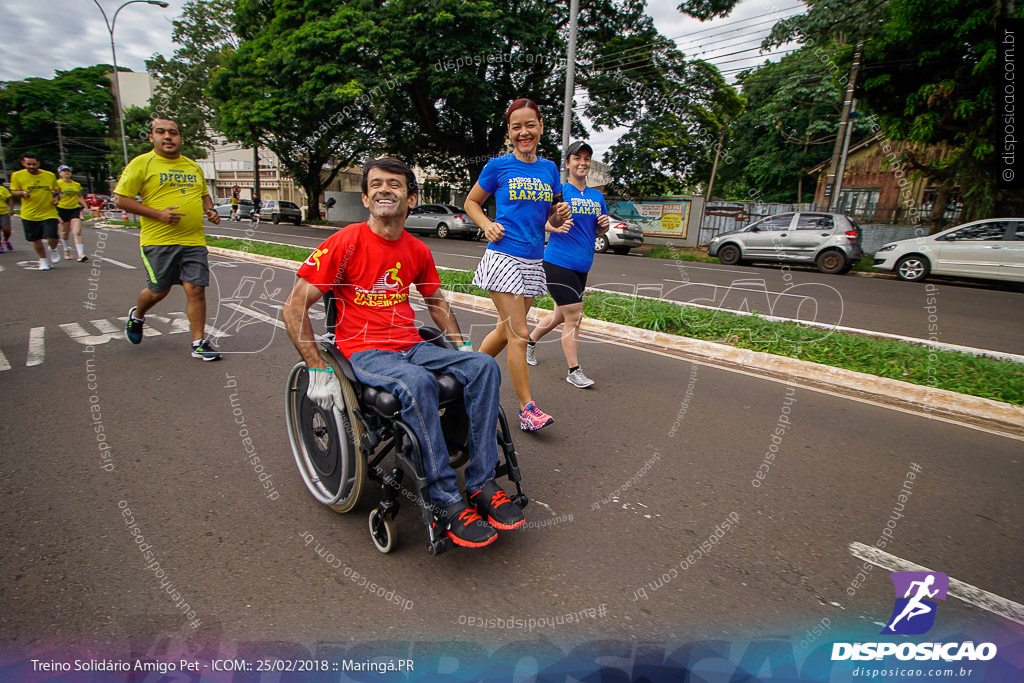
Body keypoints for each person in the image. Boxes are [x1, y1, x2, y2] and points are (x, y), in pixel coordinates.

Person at [283, 157, 525, 549]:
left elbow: (436, 302)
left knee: (482, 366)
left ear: (411, 199)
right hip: (364, 352)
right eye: (376, 184)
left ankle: (481, 483)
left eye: (394, 185)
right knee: (415, 384)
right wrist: (316, 369)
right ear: (364, 197)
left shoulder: (415, 250)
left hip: (411, 345)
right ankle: (445, 499)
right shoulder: (344, 243)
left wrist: (460, 347)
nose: (384, 190)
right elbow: (294, 306)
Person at [463, 98, 571, 431]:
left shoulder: (550, 169)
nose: (524, 132)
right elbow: (471, 202)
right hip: (503, 256)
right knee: (520, 334)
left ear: (540, 127)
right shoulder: (498, 166)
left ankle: (468, 376)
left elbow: (552, 210)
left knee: (504, 330)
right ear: (509, 132)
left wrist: (559, 213)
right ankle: (527, 409)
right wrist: (486, 224)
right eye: (516, 127)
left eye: (530, 125)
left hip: (532, 259)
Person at [114, 116, 223, 361]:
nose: (167, 137)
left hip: (193, 241)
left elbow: (204, 194)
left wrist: (210, 210)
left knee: (196, 289)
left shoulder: (192, 166)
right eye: (161, 132)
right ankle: (138, 315)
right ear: (152, 137)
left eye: (173, 132)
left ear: (180, 138)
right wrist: (158, 215)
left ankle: (198, 343)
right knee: (158, 291)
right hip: (158, 240)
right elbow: (120, 199)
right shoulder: (141, 164)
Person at [526, 141, 609, 388]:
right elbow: (538, 221)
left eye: (586, 158)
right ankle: (574, 370)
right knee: (575, 316)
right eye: (577, 158)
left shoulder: (596, 196)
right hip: (557, 261)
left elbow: (597, 229)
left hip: (582, 266)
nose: (582, 162)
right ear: (568, 163)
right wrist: (554, 226)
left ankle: (528, 342)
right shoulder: (560, 192)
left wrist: (604, 225)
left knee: (560, 316)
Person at [10, 153, 60, 270]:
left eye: (34, 164)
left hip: (49, 212)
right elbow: (13, 191)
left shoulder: (49, 175)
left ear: (38, 163)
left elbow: (57, 189)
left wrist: (56, 197)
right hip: (30, 214)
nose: (32, 166)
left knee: (52, 236)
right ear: (23, 163)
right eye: (29, 164)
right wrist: (22, 193)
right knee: (35, 239)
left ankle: (53, 248)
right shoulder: (17, 175)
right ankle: (43, 259)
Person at [56, 165, 89, 262]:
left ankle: (80, 254)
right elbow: (53, 197)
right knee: (65, 232)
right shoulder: (57, 184)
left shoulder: (76, 185)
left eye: (68, 171)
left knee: (77, 231)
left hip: (74, 209)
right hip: (62, 209)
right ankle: (66, 249)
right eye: (64, 171)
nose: (67, 173)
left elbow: (79, 196)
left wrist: (85, 207)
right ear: (60, 173)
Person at [0, 182, 13, 252]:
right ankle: (0, 247)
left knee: (7, 230)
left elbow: (9, 199)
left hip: (3, 212)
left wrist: (11, 209)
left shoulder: (3, 189)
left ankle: (5, 240)